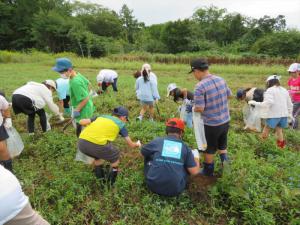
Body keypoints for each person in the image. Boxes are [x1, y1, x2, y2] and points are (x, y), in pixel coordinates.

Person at [78, 106, 141, 185]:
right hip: (96, 145)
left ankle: (101, 180)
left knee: (98, 158)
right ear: (123, 117)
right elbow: (131, 144)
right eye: (126, 120)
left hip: (81, 143)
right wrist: (137, 144)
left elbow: (82, 122)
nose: (125, 122)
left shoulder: (101, 117)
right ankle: (111, 182)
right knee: (115, 155)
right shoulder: (120, 125)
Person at [191, 58, 232, 176]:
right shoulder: (221, 79)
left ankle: (208, 172)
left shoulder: (200, 86)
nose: (194, 75)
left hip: (211, 124)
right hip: (225, 121)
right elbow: (229, 95)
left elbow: (200, 108)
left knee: (209, 149)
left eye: (193, 73)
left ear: (197, 71)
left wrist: (193, 107)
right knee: (222, 145)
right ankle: (226, 168)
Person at [141, 118, 200, 197]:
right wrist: (196, 157)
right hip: (175, 189)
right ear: (181, 133)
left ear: (167, 130)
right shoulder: (185, 147)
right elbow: (195, 173)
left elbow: (142, 152)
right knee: (187, 165)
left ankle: (156, 174)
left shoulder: (157, 141)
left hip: (152, 185)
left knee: (148, 155)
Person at [52, 58, 95, 137]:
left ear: (69, 70)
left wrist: (77, 109)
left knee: (84, 130)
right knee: (82, 127)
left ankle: (85, 144)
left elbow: (85, 99)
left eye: (62, 72)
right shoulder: (78, 75)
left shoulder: (75, 82)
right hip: (85, 105)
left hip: (83, 109)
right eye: (59, 72)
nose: (60, 74)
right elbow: (89, 85)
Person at [248, 75, 293, 148]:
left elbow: (268, 103)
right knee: (279, 130)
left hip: (274, 115)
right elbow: (290, 104)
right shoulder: (284, 90)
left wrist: (255, 103)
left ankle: (261, 145)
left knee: (266, 128)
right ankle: (281, 147)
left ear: (269, 82)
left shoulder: (269, 90)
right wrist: (290, 115)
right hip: (284, 115)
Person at [0, 91, 13, 172]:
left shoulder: (0, 99)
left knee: (2, 149)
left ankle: (9, 173)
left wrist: (8, 118)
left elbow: (6, 107)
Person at [287, 63, 300, 129]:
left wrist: (295, 92)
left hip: (299, 101)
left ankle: (294, 130)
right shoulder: (290, 80)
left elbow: (293, 91)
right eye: (290, 72)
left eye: (293, 72)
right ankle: (291, 127)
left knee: (294, 115)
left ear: (298, 71)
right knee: (291, 114)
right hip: (293, 100)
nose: (291, 73)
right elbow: (290, 89)